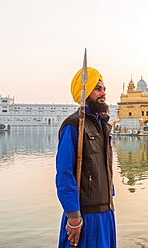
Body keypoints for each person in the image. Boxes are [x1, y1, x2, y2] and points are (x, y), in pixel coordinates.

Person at [55, 67, 116, 248]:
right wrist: (73, 215)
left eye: (103, 89)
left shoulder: (104, 126)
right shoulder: (74, 125)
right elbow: (64, 172)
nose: (103, 93)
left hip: (105, 211)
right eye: (98, 89)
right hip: (84, 214)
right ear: (86, 92)